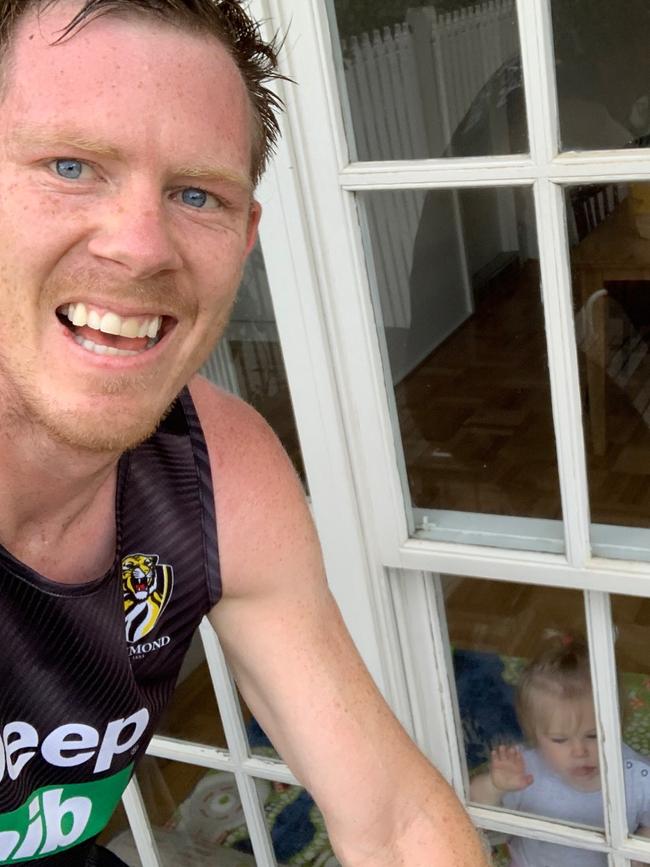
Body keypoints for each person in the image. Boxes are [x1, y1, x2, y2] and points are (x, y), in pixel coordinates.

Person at [0, 1, 489, 865]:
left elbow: (396, 819)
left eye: (198, 194)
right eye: (70, 165)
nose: (142, 246)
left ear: (246, 234)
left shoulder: (216, 466)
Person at [470, 635, 650, 866]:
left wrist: (639, 855)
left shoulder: (635, 774)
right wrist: (494, 786)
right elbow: (470, 811)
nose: (579, 751)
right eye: (560, 739)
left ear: (618, 723)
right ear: (535, 736)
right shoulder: (523, 770)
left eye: (593, 735)